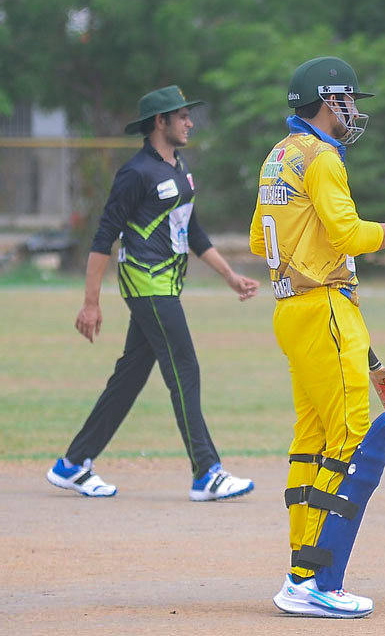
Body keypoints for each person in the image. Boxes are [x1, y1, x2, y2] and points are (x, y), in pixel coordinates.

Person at [249, 56, 385, 619]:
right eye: (348, 100)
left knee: (313, 441)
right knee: (354, 442)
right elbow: (350, 235)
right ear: (326, 100)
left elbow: (259, 237)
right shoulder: (322, 156)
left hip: (291, 309)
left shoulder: (279, 155)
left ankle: (301, 574)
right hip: (325, 308)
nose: (353, 110)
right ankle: (319, 581)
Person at [47, 85, 260, 502]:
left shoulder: (179, 166)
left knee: (129, 377)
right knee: (185, 368)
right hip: (147, 283)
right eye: (182, 116)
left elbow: (192, 230)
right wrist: (90, 303)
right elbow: (103, 236)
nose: (190, 122)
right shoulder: (136, 173)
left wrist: (230, 276)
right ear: (160, 122)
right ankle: (207, 472)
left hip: (166, 283)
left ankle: (72, 464)